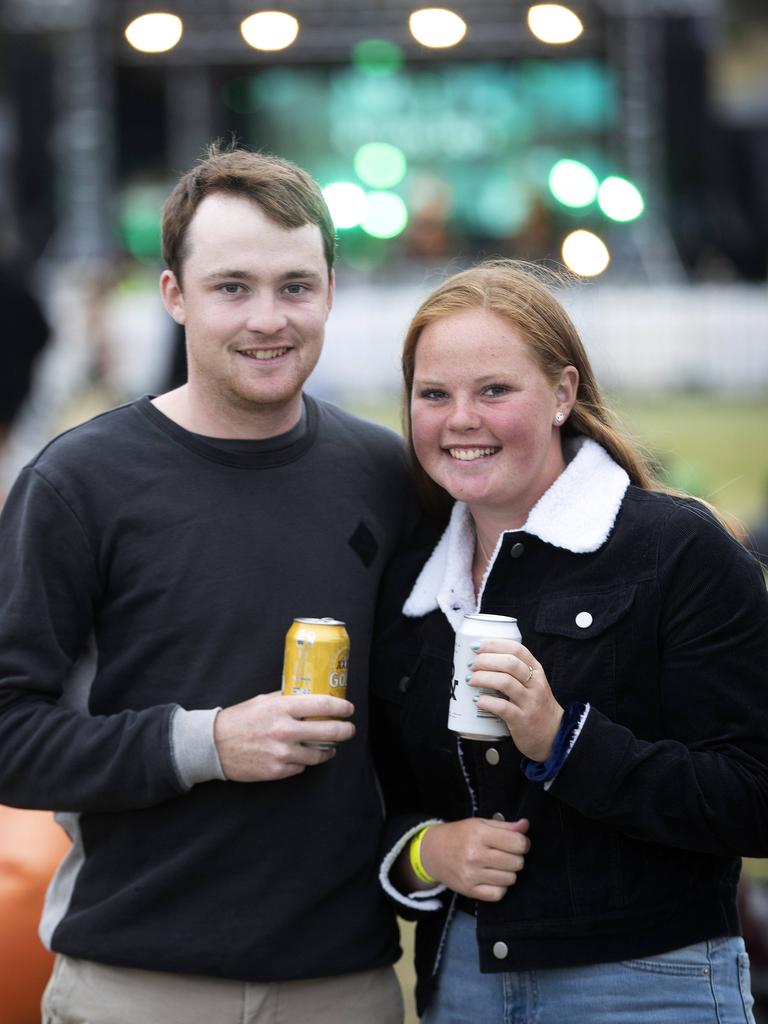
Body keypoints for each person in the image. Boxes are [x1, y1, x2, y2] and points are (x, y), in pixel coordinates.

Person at [0, 144, 414, 1024]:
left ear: (331, 292)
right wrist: (207, 744)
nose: (269, 317)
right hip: (138, 980)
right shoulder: (78, 484)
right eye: (232, 287)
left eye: (296, 286)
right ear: (174, 296)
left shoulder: (385, 472)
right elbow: (7, 732)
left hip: (345, 982)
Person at [371, 259, 768, 1023]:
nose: (461, 419)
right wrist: (428, 852)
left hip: (649, 984)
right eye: (433, 395)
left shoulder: (678, 550)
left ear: (562, 393)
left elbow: (754, 798)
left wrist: (564, 740)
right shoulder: (409, 583)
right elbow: (375, 799)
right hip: (462, 982)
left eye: (494, 390)